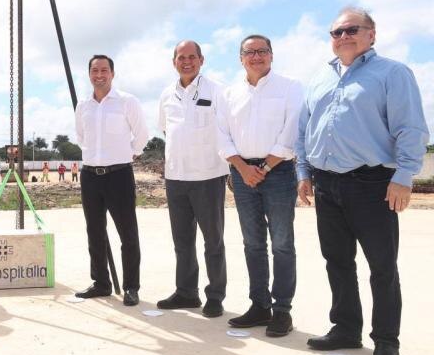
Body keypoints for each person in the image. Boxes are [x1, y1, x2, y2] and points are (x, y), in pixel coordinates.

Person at [296, 7, 429, 355]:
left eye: (351, 30)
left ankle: (386, 339)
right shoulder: (319, 78)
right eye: (336, 32)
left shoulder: (392, 73)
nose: (343, 37)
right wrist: (303, 173)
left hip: (372, 185)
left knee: (382, 267)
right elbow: (304, 129)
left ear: (372, 34)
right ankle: (345, 329)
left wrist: (403, 177)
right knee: (337, 262)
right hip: (326, 185)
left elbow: (412, 129)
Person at [217, 34, 303, 337]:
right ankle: (259, 305)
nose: (256, 57)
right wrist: (243, 168)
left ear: (272, 55)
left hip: (278, 173)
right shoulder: (229, 93)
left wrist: (264, 167)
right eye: (249, 52)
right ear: (240, 58)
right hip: (241, 173)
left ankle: (282, 311)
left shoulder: (290, 87)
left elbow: (292, 130)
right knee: (252, 243)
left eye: (262, 51)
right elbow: (221, 135)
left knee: (281, 243)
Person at [156, 40, 230, 317]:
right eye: (180, 57)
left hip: (209, 175)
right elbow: (166, 129)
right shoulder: (166, 94)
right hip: (176, 177)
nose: (186, 62)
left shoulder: (218, 91)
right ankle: (187, 293)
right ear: (173, 61)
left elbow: (226, 128)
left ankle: (215, 296)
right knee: (182, 240)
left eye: (191, 57)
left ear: (202, 59)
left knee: (213, 240)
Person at [75, 55, 149, 306]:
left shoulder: (127, 101)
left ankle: (131, 287)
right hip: (90, 176)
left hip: (119, 175)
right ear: (89, 74)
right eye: (94, 70)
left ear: (112, 73)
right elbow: (80, 136)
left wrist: (126, 155)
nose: (99, 74)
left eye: (104, 70)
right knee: (94, 232)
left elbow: (141, 136)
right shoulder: (83, 104)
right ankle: (101, 283)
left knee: (127, 233)